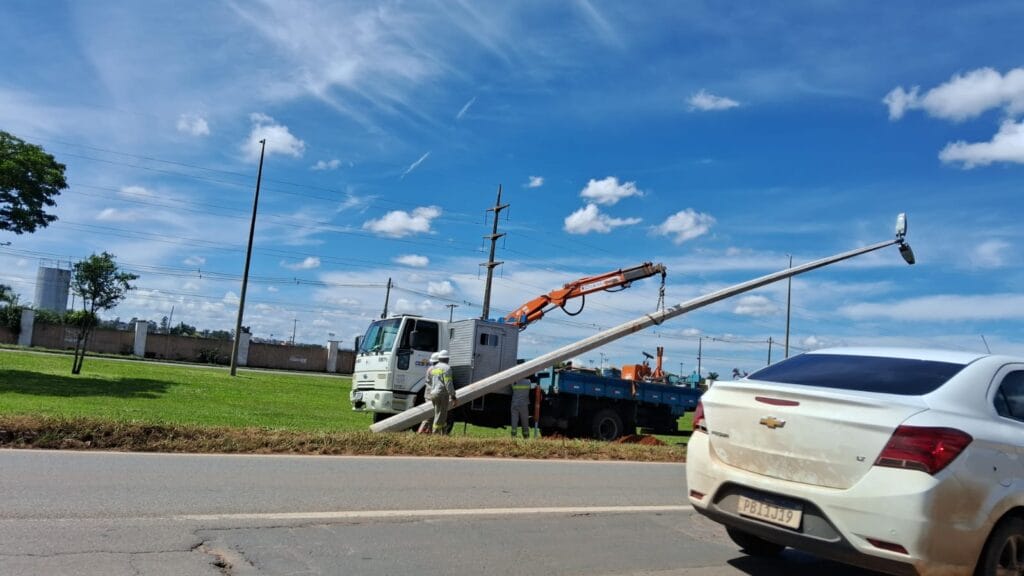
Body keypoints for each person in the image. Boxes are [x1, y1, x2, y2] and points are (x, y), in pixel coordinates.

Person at [428, 349, 455, 435]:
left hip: (433, 394)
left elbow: (430, 382)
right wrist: (453, 396)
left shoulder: (434, 368)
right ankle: (435, 434)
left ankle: (444, 433)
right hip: (442, 394)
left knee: (438, 414)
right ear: (447, 359)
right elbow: (448, 383)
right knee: (441, 415)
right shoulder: (447, 368)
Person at [417, 352, 440, 434]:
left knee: (432, 415)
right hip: (432, 395)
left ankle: (428, 433)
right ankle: (420, 433)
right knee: (429, 416)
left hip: (428, 394)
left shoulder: (430, 368)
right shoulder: (436, 370)